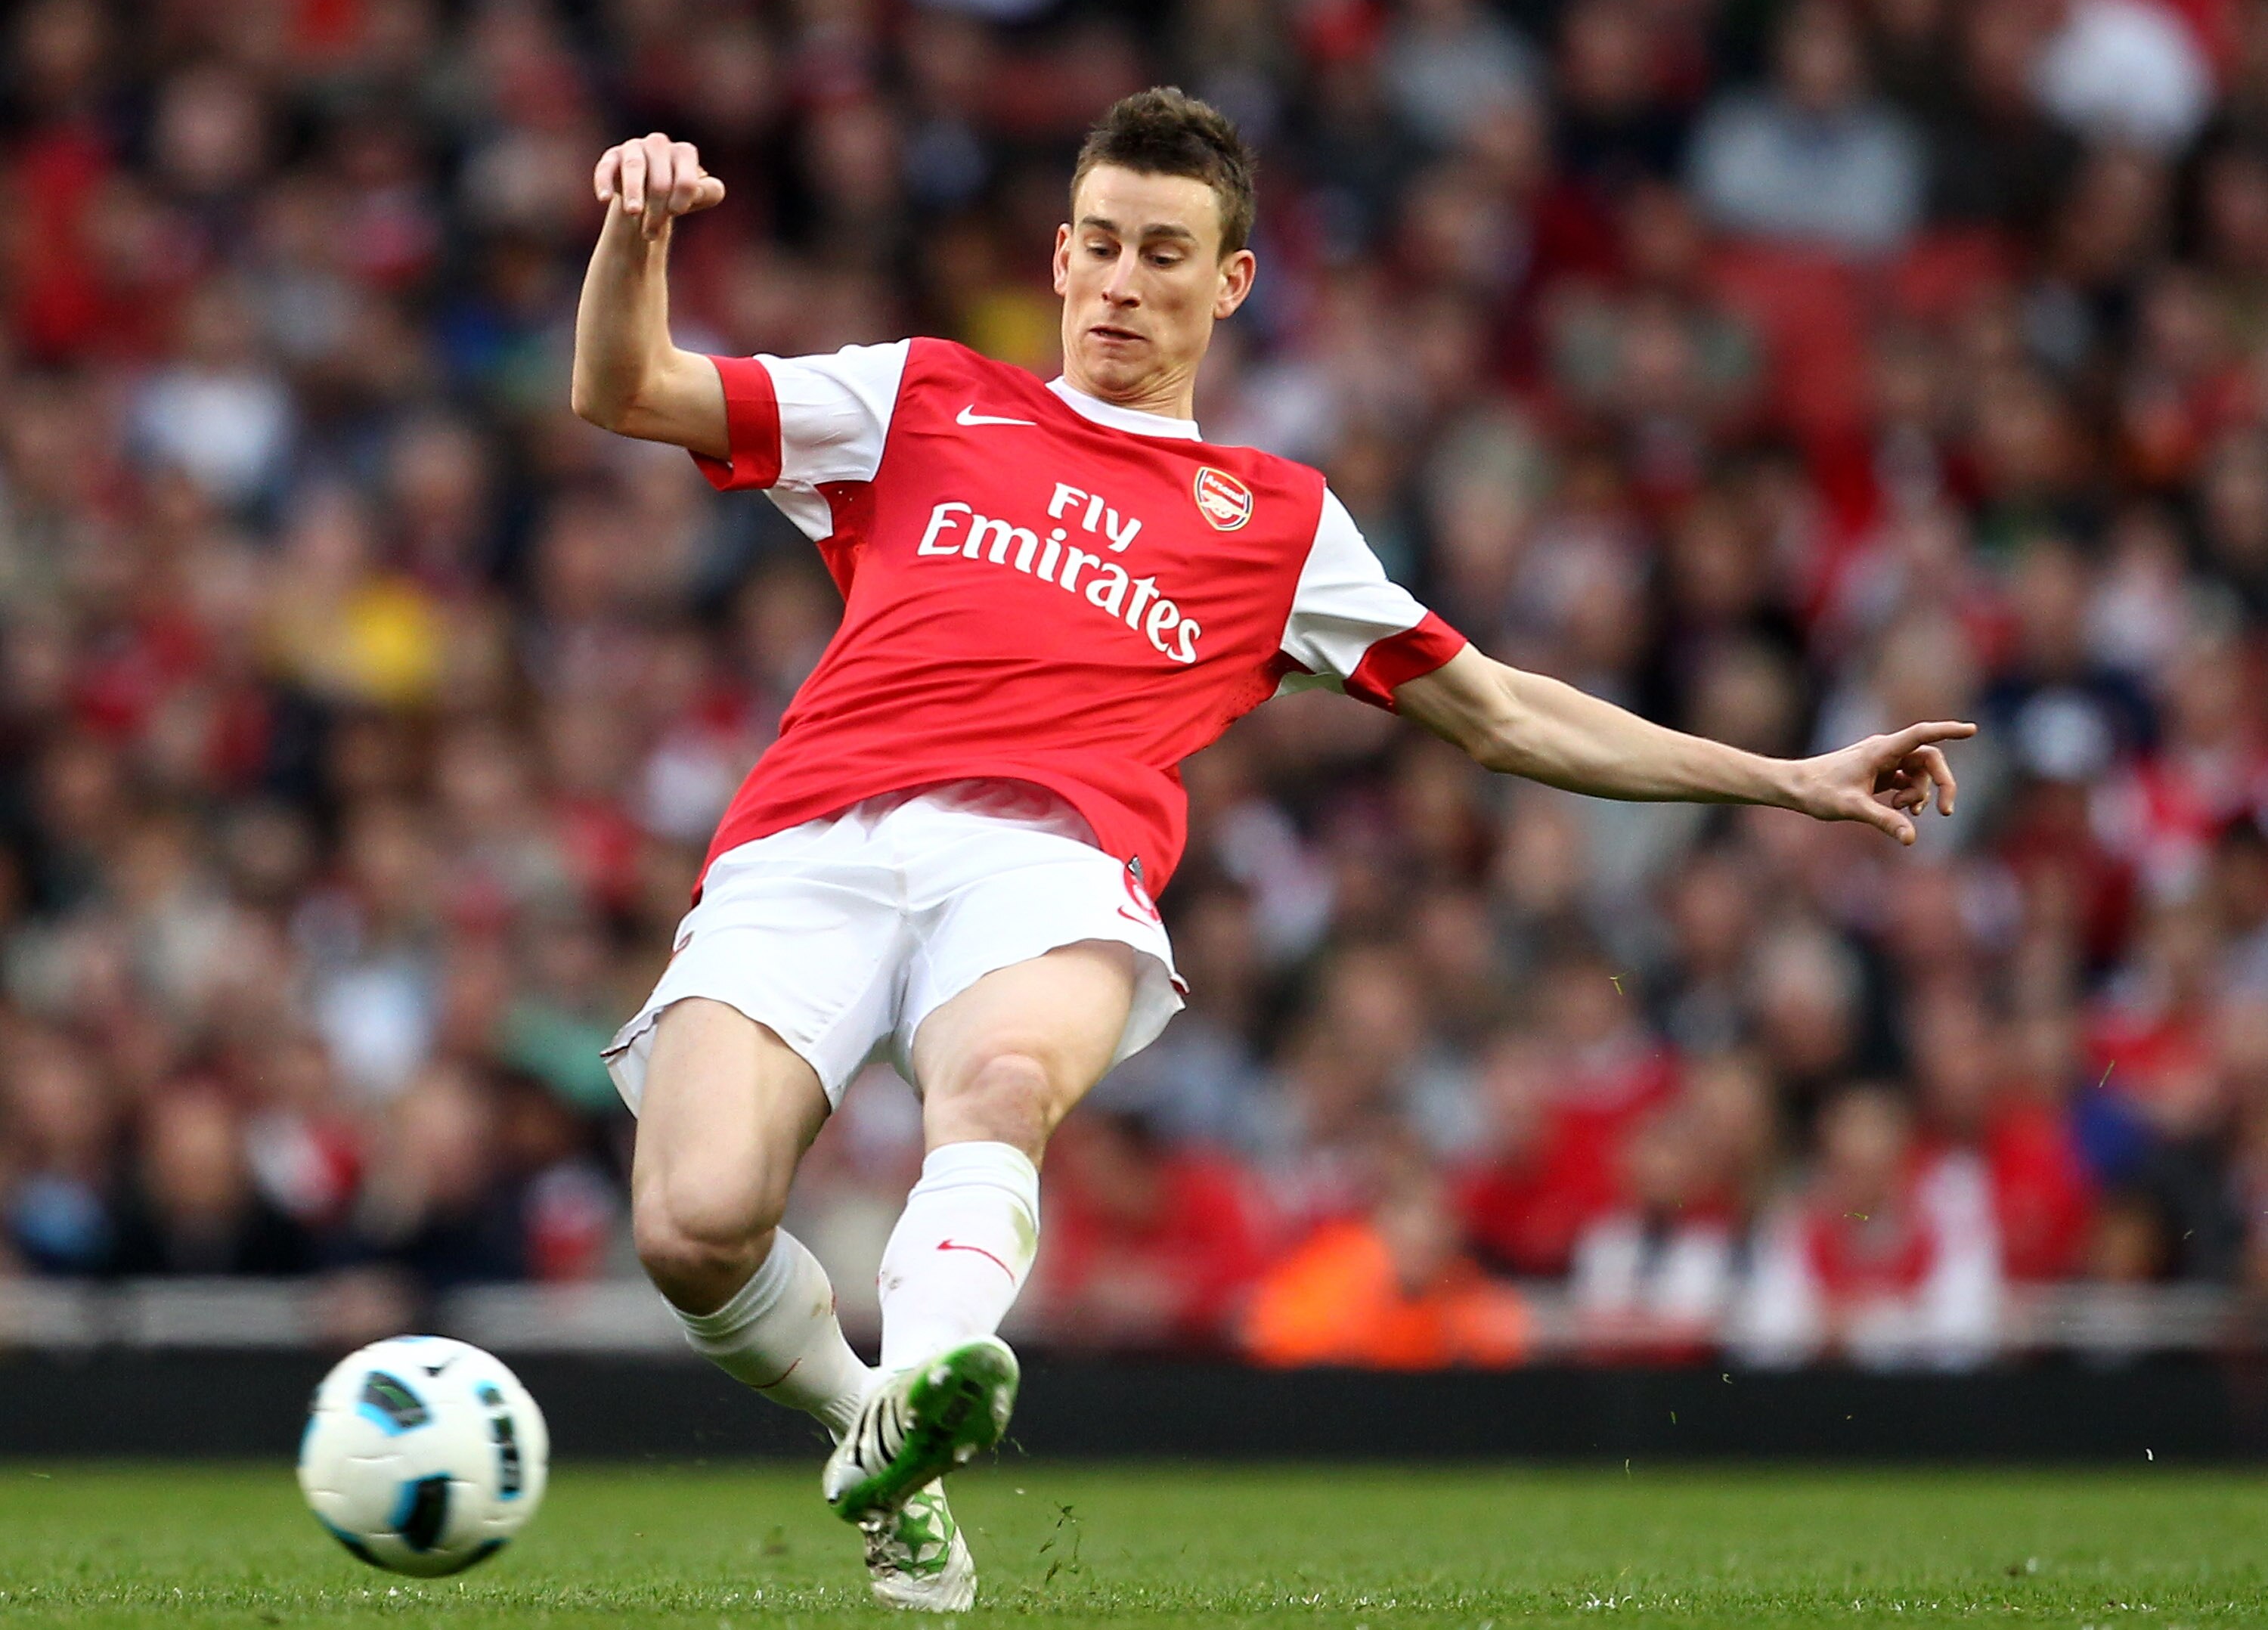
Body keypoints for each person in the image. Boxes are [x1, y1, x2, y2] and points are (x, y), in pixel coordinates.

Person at [570, 86, 1973, 1611]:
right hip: (812, 837)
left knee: (1004, 1083)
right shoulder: (919, 395)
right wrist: (635, 234)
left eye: (1165, 254)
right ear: (1057, 258)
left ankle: (935, 1364)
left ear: (1230, 281)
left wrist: (1789, 777)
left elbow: (1505, 716)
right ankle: (881, 1429)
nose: (1123, 282)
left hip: (1044, 855)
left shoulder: (1277, 523)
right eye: (1100, 246)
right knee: (694, 1223)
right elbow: (627, 389)